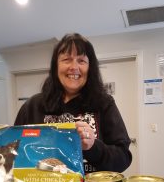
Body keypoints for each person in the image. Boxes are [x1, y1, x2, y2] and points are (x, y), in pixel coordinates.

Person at [14, 33, 132, 173]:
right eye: (66, 59)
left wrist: (93, 147)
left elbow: (123, 159)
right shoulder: (32, 106)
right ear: (56, 66)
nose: (74, 67)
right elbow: (15, 154)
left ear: (90, 67)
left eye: (81, 61)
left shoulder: (104, 103)